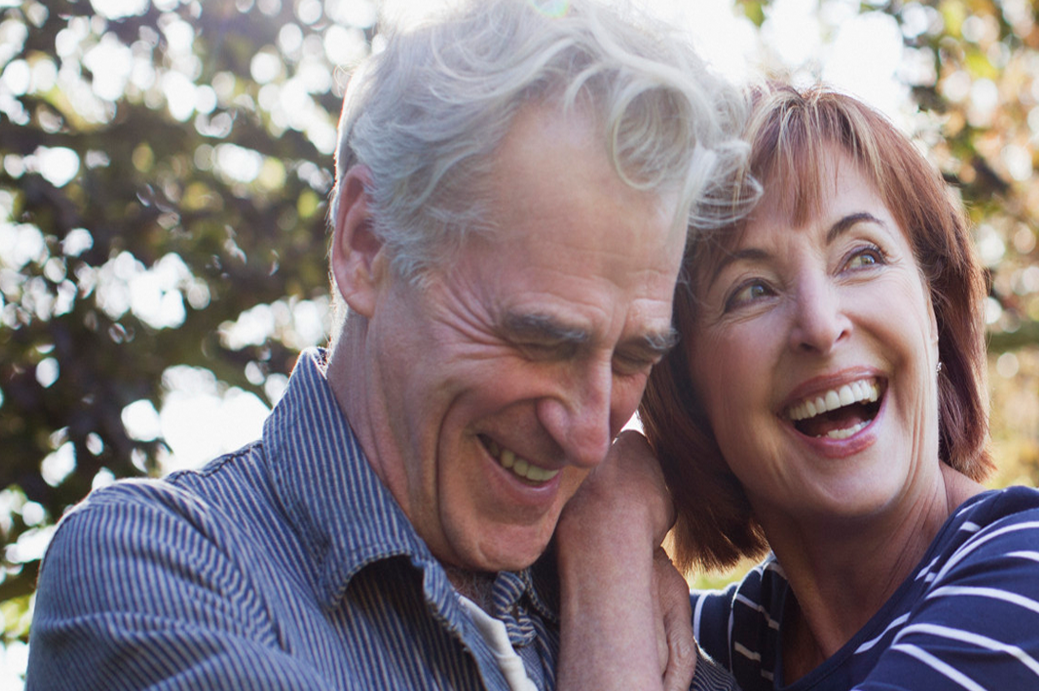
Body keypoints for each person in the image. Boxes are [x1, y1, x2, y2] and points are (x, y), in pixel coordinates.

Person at [25, 1, 748, 689]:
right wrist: (615, 590)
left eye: (632, 358)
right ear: (366, 243)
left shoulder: (649, 614)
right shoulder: (153, 576)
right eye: (541, 340)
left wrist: (609, 558)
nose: (592, 436)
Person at [631, 83, 1039, 690]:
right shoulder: (733, 643)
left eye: (860, 256)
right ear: (687, 390)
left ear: (934, 314)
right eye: (751, 288)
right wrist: (615, 506)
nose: (820, 324)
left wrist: (610, 544)